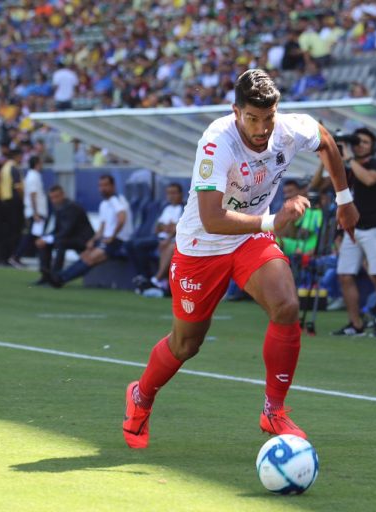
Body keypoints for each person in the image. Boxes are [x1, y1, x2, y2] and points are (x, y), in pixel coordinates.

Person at [122, 69, 359, 449]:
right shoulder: (216, 142)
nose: (262, 128)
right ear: (236, 112)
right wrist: (274, 220)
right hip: (201, 246)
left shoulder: (288, 129)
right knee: (186, 345)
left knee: (286, 305)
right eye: (253, 118)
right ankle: (140, 396)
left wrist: (345, 200)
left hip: (250, 238)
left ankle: (274, 410)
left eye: (268, 118)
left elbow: (327, 141)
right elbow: (213, 217)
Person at [331, 128, 376, 337]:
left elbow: (369, 179)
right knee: (345, 275)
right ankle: (355, 324)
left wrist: (349, 159)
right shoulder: (348, 167)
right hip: (354, 228)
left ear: (373, 146)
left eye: (365, 142)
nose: (360, 145)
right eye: (357, 142)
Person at [50, 174, 133, 288]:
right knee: (86, 254)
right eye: (100, 185)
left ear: (113, 186)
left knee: (91, 257)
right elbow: (102, 228)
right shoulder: (104, 204)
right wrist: (93, 240)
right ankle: (59, 276)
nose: (102, 188)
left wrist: (113, 236)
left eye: (105, 185)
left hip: (119, 240)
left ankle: (60, 278)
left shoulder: (117, 200)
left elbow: (122, 218)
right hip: (106, 240)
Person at [128, 182, 185, 292]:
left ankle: (150, 279)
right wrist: (166, 227)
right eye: (169, 193)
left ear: (181, 194)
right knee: (130, 244)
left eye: (174, 193)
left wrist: (167, 231)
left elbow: (178, 228)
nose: (171, 196)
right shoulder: (166, 207)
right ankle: (143, 276)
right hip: (158, 238)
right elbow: (157, 227)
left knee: (139, 245)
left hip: (170, 240)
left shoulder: (184, 208)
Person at [34, 185, 94, 285]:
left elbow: (67, 230)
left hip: (83, 240)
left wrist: (49, 239)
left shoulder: (72, 207)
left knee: (60, 243)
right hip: (69, 238)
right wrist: (44, 238)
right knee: (44, 243)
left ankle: (55, 275)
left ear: (63, 195)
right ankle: (45, 275)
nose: (54, 200)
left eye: (56, 197)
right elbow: (57, 230)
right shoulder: (58, 208)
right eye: (52, 198)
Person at [9, 155, 48, 268]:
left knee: (33, 236)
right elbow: (32, 194)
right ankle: (16, 257)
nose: (42, 165)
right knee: (32, 236)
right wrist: (35, 212)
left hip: (35, 212)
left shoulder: (33, 176)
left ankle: (17, 257)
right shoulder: (33, 177)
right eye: (41, 163)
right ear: (36, 163)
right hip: (36, 213)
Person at [276, 179, 323, 256]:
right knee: (273, 240)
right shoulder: (287, 211)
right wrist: (289, 219)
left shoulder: (314, 211)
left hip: (310, 249)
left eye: (290, 191)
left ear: (301, 192)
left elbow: (304, 234)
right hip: (294, 247)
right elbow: (289, 235)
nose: (287, 196)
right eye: (285, 193)